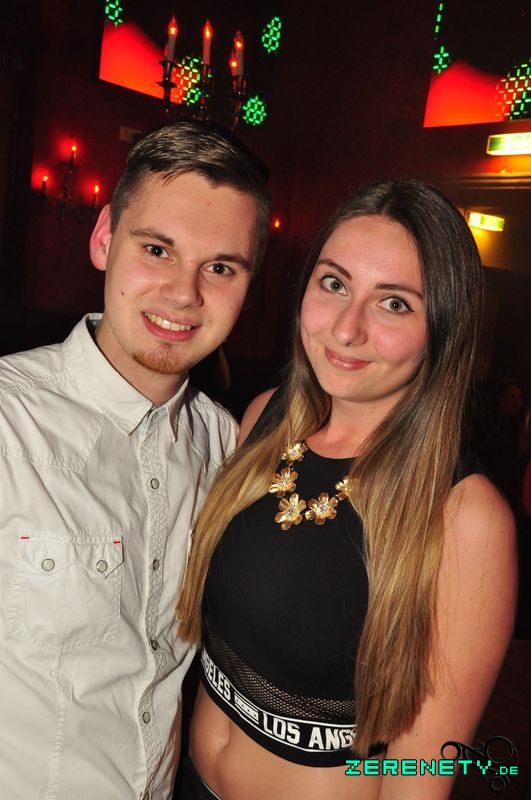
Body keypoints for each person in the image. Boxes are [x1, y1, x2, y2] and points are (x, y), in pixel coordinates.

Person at [177, 179, 517, 800]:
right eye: (334, 284)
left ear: (444, 328)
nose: (346, 329)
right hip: (185, 781)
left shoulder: (466, 516)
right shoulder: (263, 419)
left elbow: (421, 774)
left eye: (394, 304)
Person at [0, 119, 271, 800]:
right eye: (157, 249)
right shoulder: (9, 420)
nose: (184, 293)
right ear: (103, 239)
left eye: (220, 268)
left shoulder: (227, 447)